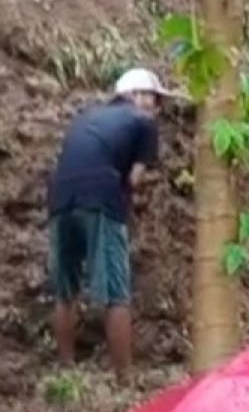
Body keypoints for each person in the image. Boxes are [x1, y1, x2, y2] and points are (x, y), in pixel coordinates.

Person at [47, 68, 171, 380]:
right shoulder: (143, 121)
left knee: (65, 291)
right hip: (100, 198)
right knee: (117, 292)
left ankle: (66, 373)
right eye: (155, 100)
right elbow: (134, 179)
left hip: (60, 198)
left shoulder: (87, 117)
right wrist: (126, 202)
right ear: (139, 96)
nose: (156, 109)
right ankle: (125, 378)